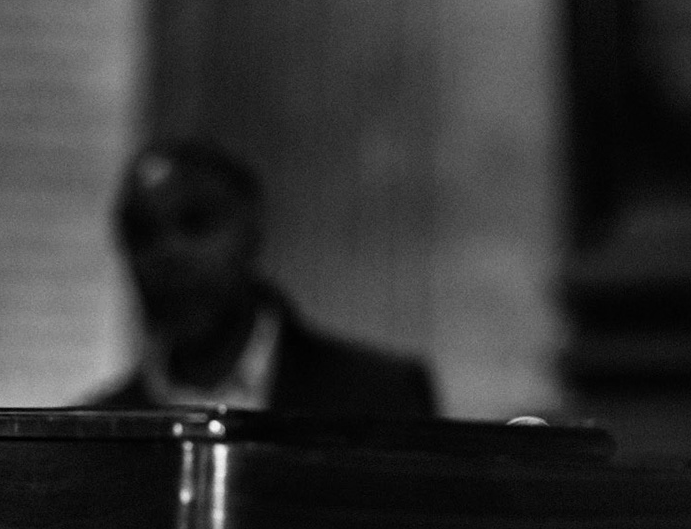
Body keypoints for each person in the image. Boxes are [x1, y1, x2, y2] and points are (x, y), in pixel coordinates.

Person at [86, 137, 437, 417]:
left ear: (251, 232)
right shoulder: (100, 428)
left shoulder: (378, 397)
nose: (168, 254)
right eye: (142, 233)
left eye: (196, 224)